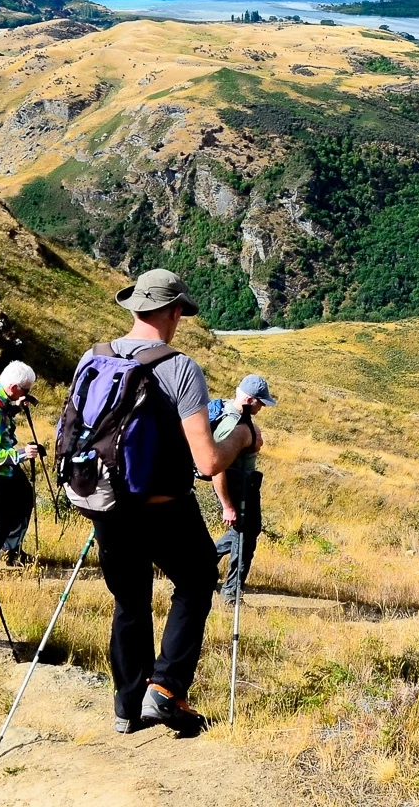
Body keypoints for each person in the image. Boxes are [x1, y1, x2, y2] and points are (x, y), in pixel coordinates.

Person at [79, 268, 258, 736]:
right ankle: (166, 690)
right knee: (199, 580)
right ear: (175, 311)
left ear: (135, 307)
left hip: (106, 504)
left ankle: (126, 706)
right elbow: (206, 461)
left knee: (130, 601)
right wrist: (241, 436)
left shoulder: (93, 357)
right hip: (163, 505)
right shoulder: (179, 368)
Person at [209, 374, 277, 603]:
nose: (262, 407)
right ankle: (231, 593)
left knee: (247, 532)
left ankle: (203, 562)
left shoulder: (238, 414)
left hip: (244, 484)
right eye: (260, 402)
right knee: (243, 539)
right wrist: (227, 506)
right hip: (234, 487)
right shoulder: (231, 424)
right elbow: (217, 467)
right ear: (249, 400)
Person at [0, 361, 42, 567]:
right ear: (14, 387)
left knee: (22, 501)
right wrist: (22, 453)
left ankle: (9, 553)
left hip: (5, 470)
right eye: (26, 389)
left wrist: (13, 408)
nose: (27, 393)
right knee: (2, 518)